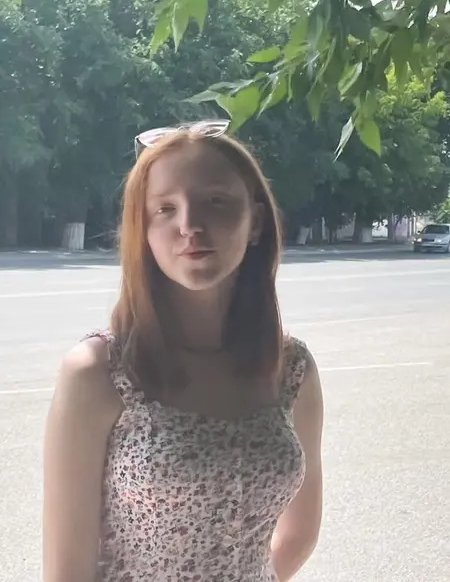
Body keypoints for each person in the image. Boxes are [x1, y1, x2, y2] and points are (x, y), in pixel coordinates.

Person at [43, 119, 324, 582]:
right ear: (143, 231)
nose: (190, 225)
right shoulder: (99, 373)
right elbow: (66, 573)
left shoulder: (291, 370)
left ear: (255, 221)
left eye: (215, 202)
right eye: (165, 209)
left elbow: (299, 534)